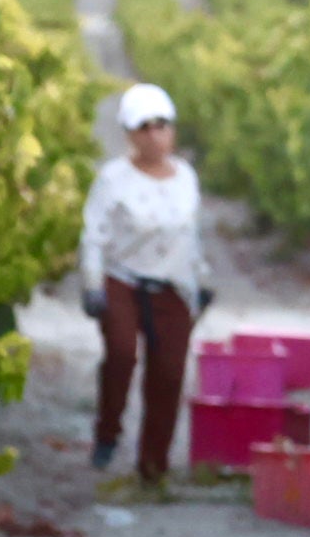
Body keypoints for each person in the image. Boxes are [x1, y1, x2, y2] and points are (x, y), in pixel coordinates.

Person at [77, 82, 211, 483]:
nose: (155, 136)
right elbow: (94, 235)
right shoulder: (113, 179)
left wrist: (202, 280)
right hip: (122, 279)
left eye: (161, 126)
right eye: (145, 127)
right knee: (121, 354)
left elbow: (192, 237)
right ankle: (108, 431)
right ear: (130, 134)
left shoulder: (186, 178)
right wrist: (92, 283)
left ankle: (153, 464)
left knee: (169, 374)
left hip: (171, 284)